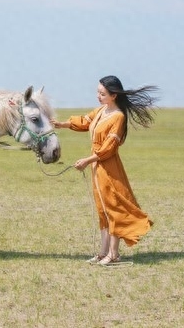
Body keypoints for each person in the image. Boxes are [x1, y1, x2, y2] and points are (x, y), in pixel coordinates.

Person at [52, 75, 157, 265]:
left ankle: (114, 254)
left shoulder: (118, 117)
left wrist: (87, 160)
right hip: (96, 167)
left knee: (113, 208)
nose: (98, 96)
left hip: (109, 168)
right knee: (102, 210)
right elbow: (85, 121)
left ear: (114, 95)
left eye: (102, 93)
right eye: (98, 92)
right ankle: (103, 252)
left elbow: (109, 148)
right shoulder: (101, 111)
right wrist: (62, 124)